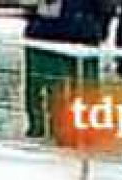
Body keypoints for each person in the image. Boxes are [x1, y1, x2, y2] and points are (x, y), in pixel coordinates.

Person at [21, 0, 115, 139]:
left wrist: (98, 27)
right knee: (45, 85)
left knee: (83, 87)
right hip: (48, 35)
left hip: (81, 35)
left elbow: (107, 8)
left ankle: (77, 130)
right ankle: (44, 128)